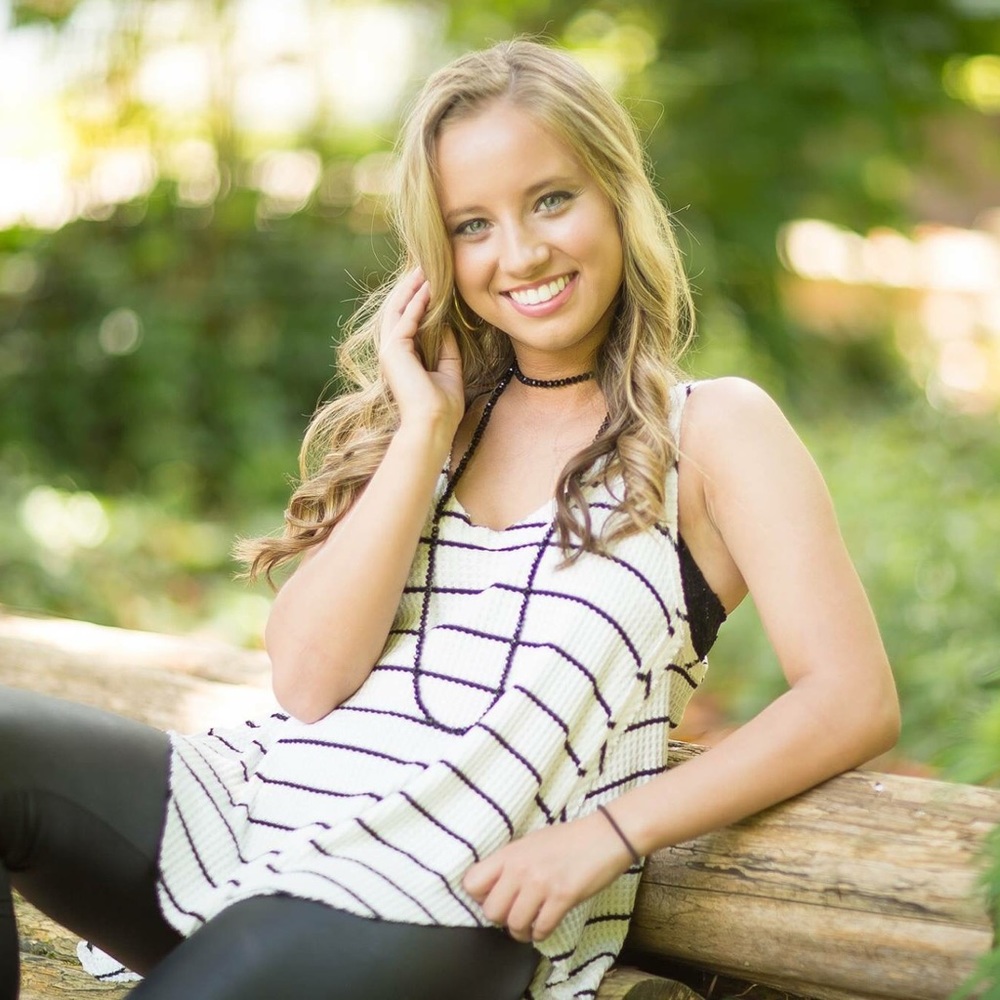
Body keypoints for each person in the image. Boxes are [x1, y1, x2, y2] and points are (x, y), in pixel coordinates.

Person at [0, 38, 900, 1000]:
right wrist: (424, 431)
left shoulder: (713, 431)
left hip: (442, 891)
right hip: (262, 813)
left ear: (617, 195)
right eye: (473, 224)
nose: (520, 253)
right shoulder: (437, 420)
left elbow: (852, 698)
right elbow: (307, 680)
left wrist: (607, 834)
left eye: (551, 199)